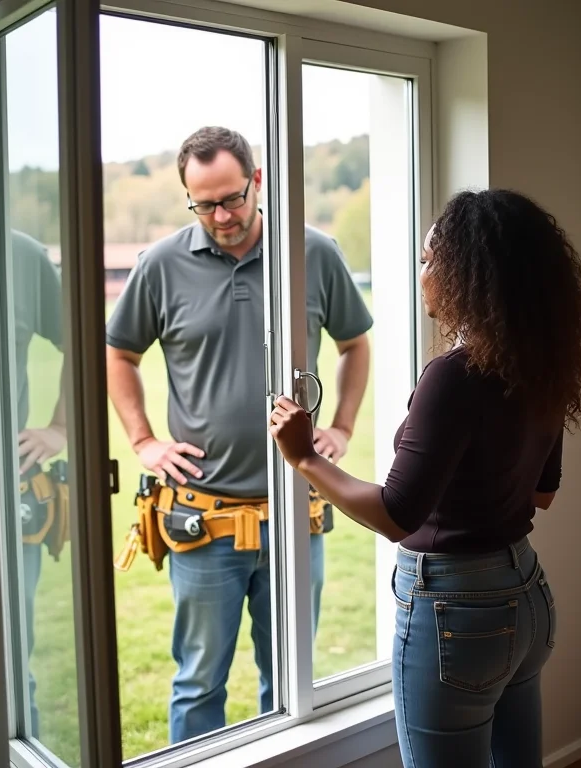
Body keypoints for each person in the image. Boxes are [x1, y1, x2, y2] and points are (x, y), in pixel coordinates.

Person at [269, 188, 581, 768]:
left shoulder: (454, 375)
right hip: (526, 598)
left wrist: (305, 458)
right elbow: (543, 493)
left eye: (429, 260)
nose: (421, 273)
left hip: (456, 614)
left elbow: (399, 514)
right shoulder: (540, 363)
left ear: (470, 272)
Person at [106, 126, 373, 743]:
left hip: (294, 516)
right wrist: (145, 441)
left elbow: (355, 344)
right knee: (199, 684)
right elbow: (118, 353)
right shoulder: (160, 265)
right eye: (203, 204)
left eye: (230, 198)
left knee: (291, 685)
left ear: (257, 182)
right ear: (187, 196)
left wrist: (341, 426)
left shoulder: (311, 253)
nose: (221, 216)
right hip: (205, 521)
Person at [11, 229, 69, 738]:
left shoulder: (20, 255)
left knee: (10, 659)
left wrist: (60, 427)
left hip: (10, 503)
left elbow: (84, 341)